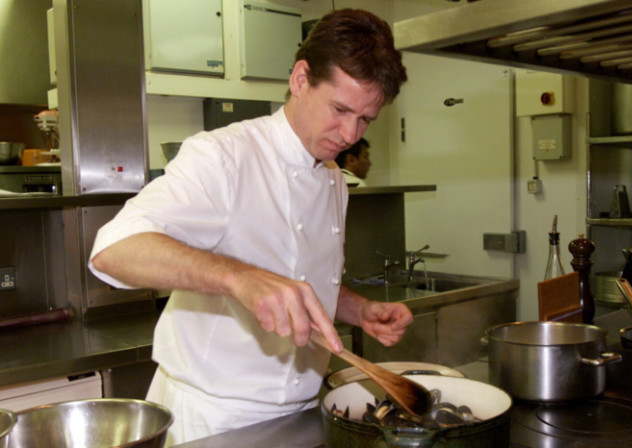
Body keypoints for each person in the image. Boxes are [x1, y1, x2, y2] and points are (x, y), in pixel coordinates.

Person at [88, 9, 410, 446]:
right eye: (340, 109)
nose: (349, 133)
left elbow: (300, 279)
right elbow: (114, 249)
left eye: (365, 120)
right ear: (300, 79)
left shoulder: (334, 177)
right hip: (214, 418)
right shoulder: (223, 156)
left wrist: (358, 310)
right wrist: (239, 278)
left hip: (300, 413)